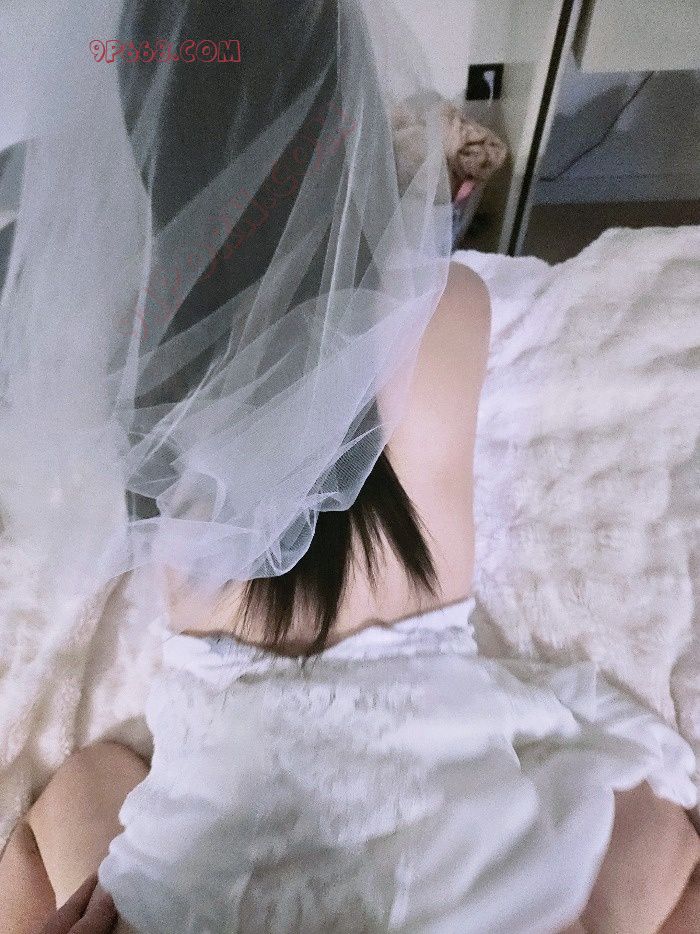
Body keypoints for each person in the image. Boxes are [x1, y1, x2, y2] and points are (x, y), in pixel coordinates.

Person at [0, 1, 698, 932]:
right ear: (350, 123)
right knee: (663, 837)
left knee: (79, 789)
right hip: (447, 833)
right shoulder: (448, 304)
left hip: (219, 841)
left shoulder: (139, 371)